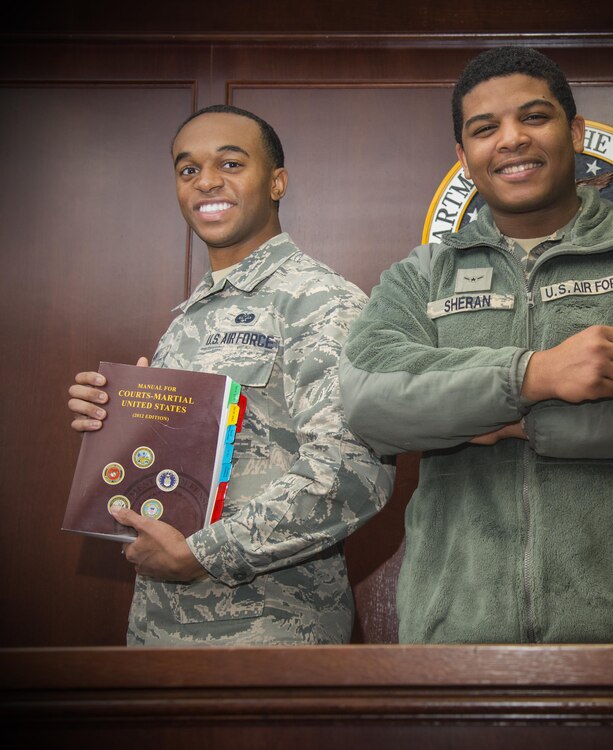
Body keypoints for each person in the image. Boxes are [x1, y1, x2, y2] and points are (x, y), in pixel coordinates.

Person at [339, 46, 613, 643]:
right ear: (464, 156)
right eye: (485, 128)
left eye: (534, 117)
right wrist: (533, 375)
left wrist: (519, 425)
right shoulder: (420, 274)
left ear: (576, 131)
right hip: (456, 646)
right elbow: (369, 398)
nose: (511, 139)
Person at [66, 105, 394, 645]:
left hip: (268, 636)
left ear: (277, 182)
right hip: (159, 632)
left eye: (231, 163)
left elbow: (353, 472)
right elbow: (175, 478)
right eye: (188, 169)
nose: (207, 182)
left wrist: (201, 555)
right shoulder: (189, 318)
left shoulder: (320, 303)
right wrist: (115, 427)